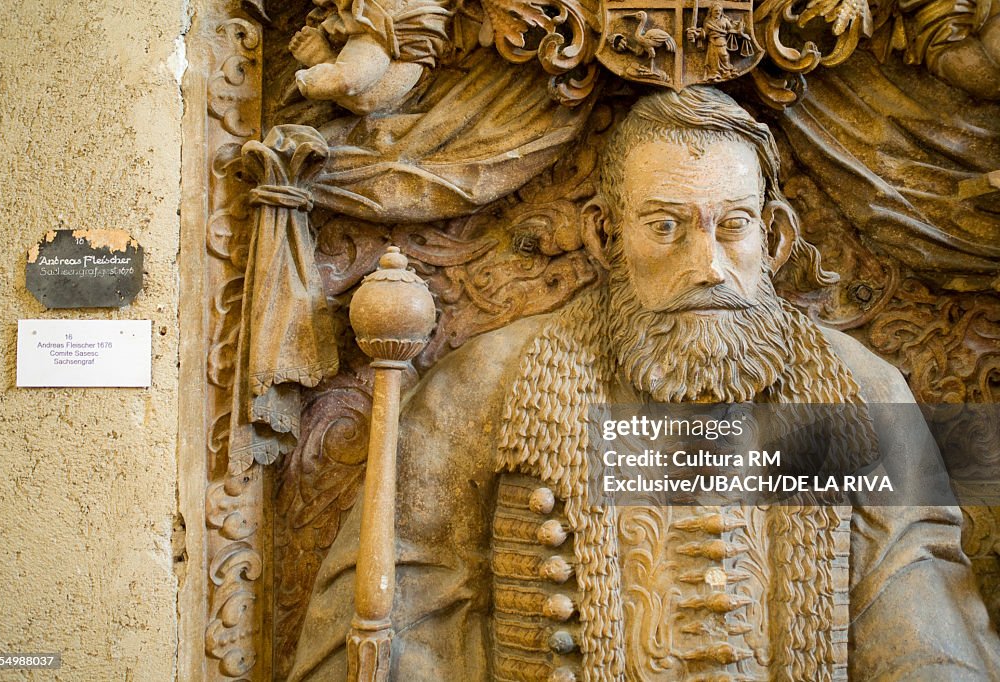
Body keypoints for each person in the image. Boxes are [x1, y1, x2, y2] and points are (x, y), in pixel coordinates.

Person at [288, 86, 1000, 681]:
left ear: (775, 240)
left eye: (734, 227)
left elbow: (923, 629)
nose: (708, 265)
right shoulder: (488, 388)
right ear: (605, 235)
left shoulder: (858, 391)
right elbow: (397, 622)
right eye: (666, 226)